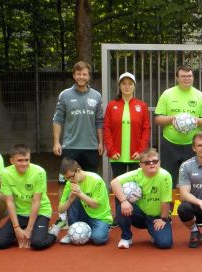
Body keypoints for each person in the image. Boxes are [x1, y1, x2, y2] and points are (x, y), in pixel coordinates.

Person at [52, 61, 104, 215]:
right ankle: (63, 216)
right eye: (78, 73)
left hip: (91, 147)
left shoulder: (96, 95)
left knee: (90, 182)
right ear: (74, 75)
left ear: (89, 76)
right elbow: (57, 119)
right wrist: (56, 142)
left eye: (85, 74)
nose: (81, 77)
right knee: (64, 183)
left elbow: (99, 121)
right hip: (70, 146)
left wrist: (101, 142)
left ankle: (90, 213)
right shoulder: (65, 95)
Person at [154, 65, 202, 187]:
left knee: (192, 180)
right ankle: (169, 206)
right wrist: (174, 119)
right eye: (183, 76)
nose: (187, 78)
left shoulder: (200, 96)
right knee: (168, 180)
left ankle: (191, 206)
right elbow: (158, 119)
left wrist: (194, 120)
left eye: (189, 76)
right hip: (170, 144)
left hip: (192, 145)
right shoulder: (167, 94)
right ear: (177, 78)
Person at [0, 144, 57, 250]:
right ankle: (24, 232)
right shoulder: (5, 173)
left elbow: (36, 202)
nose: (24, 164)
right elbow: (10, 202)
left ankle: (53, 233)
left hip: (40, 212)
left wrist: (29, 229)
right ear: (12, 161)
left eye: (27, 160)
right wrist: (17, 228)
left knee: (37, 243)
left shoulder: (39, 173)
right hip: (20, 213)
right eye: (20, 160)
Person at [110, 148, 173, 249]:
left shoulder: (165, 176)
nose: (151, 164)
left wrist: (163, 219)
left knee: (164, 244)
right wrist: (124, 201)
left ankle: (154, 234)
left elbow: (166, 201)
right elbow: (114, 182)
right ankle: (126, 237)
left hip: (156, 217)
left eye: (155, 161)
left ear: (159, 163)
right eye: (147, 162)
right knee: (121, 201)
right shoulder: (136, 174)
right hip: (138, 214)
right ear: (140, 165)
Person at [104, 72, 151, 177]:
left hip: (136, 155)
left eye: (130, 83)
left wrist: (141, 151)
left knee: (135, 188)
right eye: (124, 83)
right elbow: (106, 129)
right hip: (116, 155)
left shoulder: (142, 106)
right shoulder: (112, 105)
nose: (127, 86)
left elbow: (146, 130)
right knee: (119, 187)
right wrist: (111, 150)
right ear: (119, 86)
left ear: (134, 86)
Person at [56, 158, 112, 245]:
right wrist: (70, 200)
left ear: (78, 170)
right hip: (83, 214)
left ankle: (104, 228)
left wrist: (80, 194)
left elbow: (95, 205)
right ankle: (72, 230)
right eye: (66, 178)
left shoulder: (96, 180)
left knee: (98, 239)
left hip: (99, 216)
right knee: (72, 198)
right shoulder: (69, 183)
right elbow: (60, 209)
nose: (70, 180)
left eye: (71, 176)